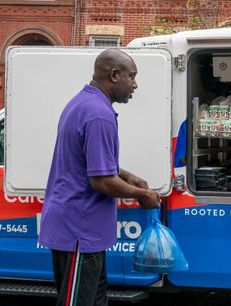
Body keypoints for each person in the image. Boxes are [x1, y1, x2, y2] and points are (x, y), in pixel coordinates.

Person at [38, 48, 160, 306]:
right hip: (78, 231)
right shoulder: (98, 114)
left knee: (95, 300)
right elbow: (101, 181)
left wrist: (128, 176)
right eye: (132, 76)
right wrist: (143, 194)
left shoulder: (84, 103)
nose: (135, 85)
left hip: (85, 232)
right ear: (115, 75)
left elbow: (95, 164)